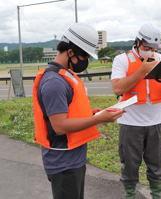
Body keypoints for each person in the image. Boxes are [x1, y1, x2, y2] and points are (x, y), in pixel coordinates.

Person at [32, 22, 124, 199]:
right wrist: (97, 120)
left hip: (73, 159)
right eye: (84, 56)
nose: (86, 61)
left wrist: (92, 115)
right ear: (70, 52)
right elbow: (59, 126)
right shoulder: (54, 83)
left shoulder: (65, 75)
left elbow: (67, 114)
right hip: (63, 164)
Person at [111, 23, 161, 199]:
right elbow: (118, 89)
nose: (149, 51)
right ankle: (130, 195)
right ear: (137, 42)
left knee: (156, 165)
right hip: (130, 124)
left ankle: (157, 195)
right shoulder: (122, 60)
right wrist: (142, 71)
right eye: (146, 47)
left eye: (152, 48)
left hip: (156, 123)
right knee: (129, 166)